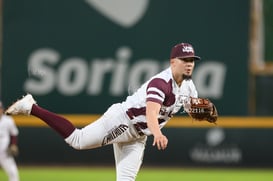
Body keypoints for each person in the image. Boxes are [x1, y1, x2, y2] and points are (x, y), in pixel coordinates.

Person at [5, 42, 201, 181]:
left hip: (139, 136)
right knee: (78, 140)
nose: (189, 63)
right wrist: (158, 133)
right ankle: (31, 107)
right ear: (173, 62)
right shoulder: (161, 83)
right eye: (184, 59)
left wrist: (200, 112)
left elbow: (192, 109)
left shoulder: (189, 86)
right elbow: (151, 112)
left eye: (192, 59)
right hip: (124, 121)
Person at [0, 101, 20, 181]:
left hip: (4, 152)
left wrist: (13, 145)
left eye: (0, 108)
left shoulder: (8, 120)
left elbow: (14, 134)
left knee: (13, 173)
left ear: (2, 109)